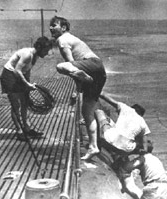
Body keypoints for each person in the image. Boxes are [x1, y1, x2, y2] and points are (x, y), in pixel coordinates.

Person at [49, 16, 107, 160]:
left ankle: (85, 77)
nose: (51, 28)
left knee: (60, 66)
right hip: (99, 71)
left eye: (54, 25)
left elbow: (71, 63)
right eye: (50, 25)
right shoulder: (71, 38)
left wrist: (77, 89)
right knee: (87, 111)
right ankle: (94, 146)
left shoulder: (62, 40)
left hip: (91, 65)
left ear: (63, 28)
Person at [0, 36, 52, 141]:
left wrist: (28, 84)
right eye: (46, 50)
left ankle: (27, 129)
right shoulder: (27, 54)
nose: (47, 53)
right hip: (9, 76)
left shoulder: (35, 56)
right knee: (16, 105)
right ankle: (19, 131)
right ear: (39, 47)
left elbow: (27, 71)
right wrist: (27, 84)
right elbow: (16, 71)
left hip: (19, 75)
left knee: (25, 102)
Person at [94, 92, 152, 156]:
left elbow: (104, 96)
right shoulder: (143, 122)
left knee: (99, 112)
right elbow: (145, 145)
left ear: (132, 108)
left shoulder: (125, 108)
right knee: (131, 140)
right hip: (126, 150)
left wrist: (96, 91)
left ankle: (96, 144)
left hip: (109, 140)